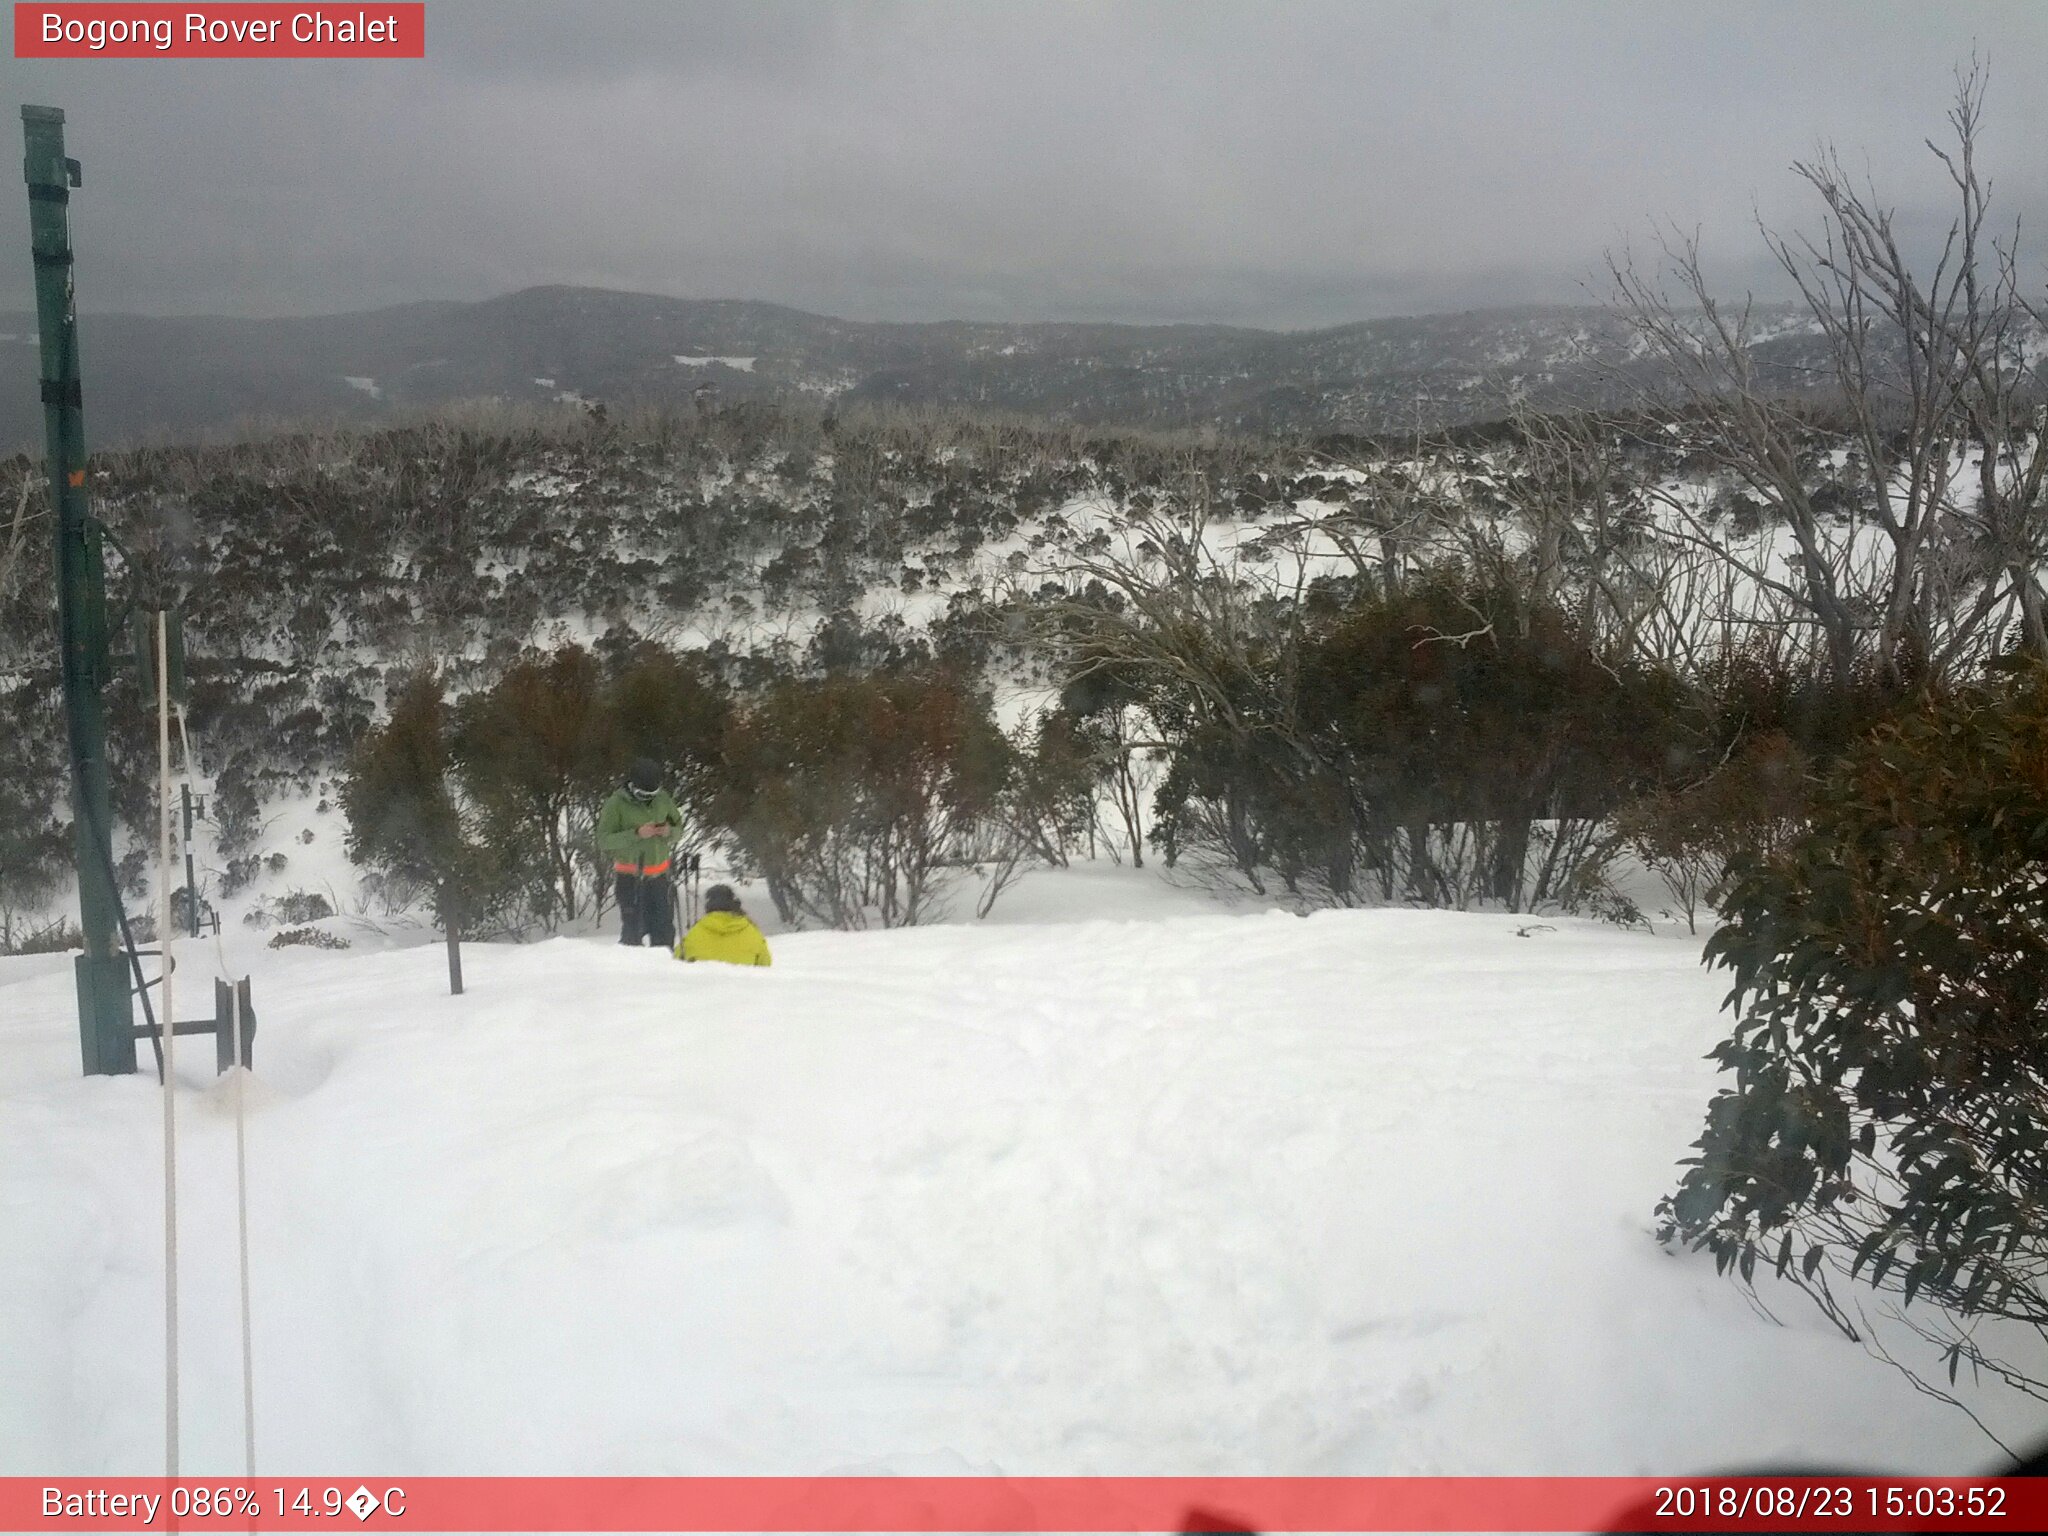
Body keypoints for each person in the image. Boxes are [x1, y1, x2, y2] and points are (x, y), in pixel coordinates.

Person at [596, 758, 684, 949]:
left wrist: (669, 832)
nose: (649, 798)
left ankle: (665, 973)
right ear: (632, 786)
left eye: (652, 794)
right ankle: (634, 975)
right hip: (630, 880)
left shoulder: (663, 798)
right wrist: (636, 834)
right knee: (633, 934)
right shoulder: (616, 804)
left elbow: (678, 828)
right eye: (644, 794)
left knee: (664, 932)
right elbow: (604, 840)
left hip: (660, 880)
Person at [676, 884, 772, 967]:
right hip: (743, 985)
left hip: (702, 986)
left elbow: (677, 960)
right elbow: (765, 964)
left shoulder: (695, 933)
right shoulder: (752, 932)